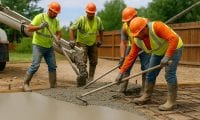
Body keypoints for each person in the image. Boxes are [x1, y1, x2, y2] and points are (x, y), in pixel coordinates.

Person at [115, 17, 183, 111]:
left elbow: (174, 38)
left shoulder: (157, 26)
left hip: (174, 48)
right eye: (135, 35)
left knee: (169, 74)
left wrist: (167, 56)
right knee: (150, 74)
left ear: (145, 28)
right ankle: (146, 96)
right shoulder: (137, 40)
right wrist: (121, 73)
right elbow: (130, 57)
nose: (136, 36)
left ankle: (172, 102)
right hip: (158, 51)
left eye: (138, 34)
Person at [23, 1, 61, 92]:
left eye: (57, 13)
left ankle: (53, 85)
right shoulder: (40, 17)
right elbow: (29, 28)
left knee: (52, 66)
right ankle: (25, 84)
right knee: (35, 65)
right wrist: (40, 27)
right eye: (54, 13)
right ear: (49, 10)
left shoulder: (56, 21)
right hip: (38, 45)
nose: (56, 15)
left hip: (49, 47)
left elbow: (59, 32)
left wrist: (58, 39)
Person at [117, 7, 150, 93]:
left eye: (129, 20)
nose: (127, 23)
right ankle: (122, 89)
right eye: (126, 21)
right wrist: (122, 57)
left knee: (146, 68)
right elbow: (123, 42)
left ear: (135, 16)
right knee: (126, 66)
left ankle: (145, 90)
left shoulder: (145, 23)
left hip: (145, 47)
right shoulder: (125, 27)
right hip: (133, 46)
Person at [69, 2, 104, 84]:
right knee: (83, 61)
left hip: (92, 43)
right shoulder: (81, 19)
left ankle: (91, 78)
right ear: (86, 12)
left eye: (92, 13)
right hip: (82, 43)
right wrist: (72, 40)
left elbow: (101, 29)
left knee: (94, 61)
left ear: (94, 12)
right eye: (89, 13)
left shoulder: (98, 20)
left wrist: (101, 40)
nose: (91, 15)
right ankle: (84, 77)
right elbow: (71, 29)